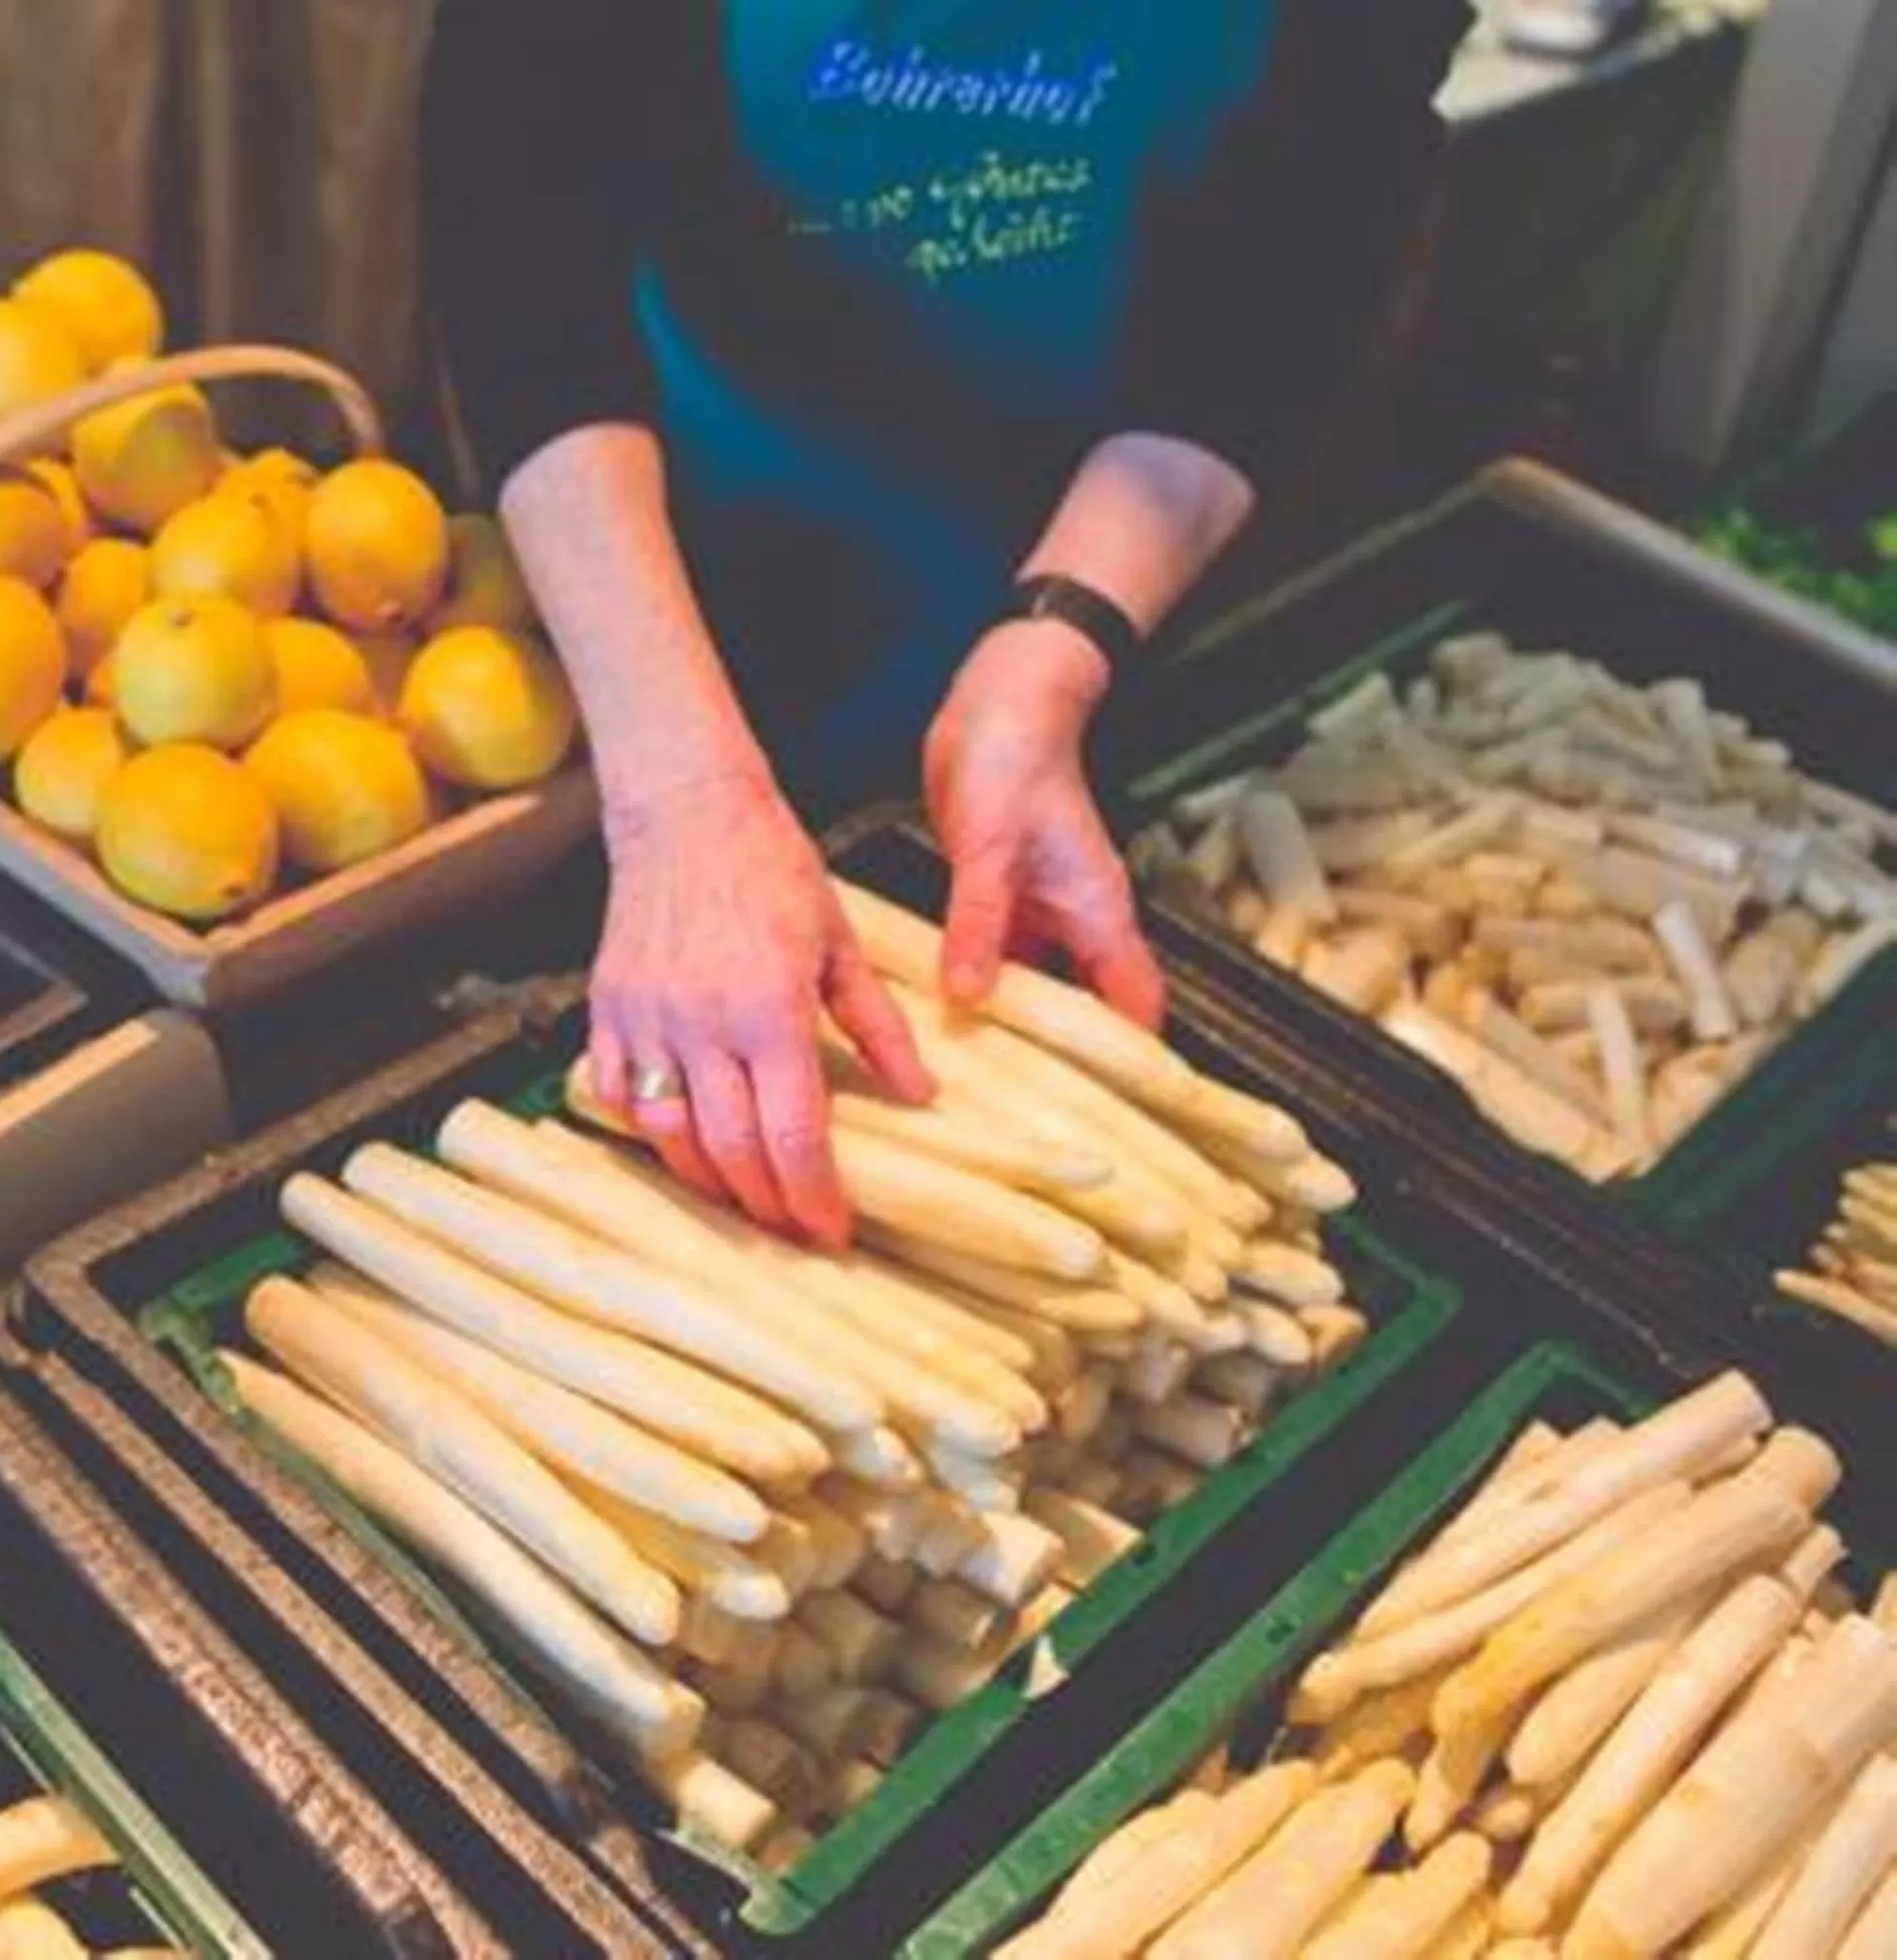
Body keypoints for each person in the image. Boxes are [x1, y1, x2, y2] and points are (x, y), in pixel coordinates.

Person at [424, 0, 1468, 1246]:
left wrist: (1060, 637)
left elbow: (1287, 266)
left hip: (1079, 547)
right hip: (658, 548)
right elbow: (519, 215)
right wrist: (682, 798)